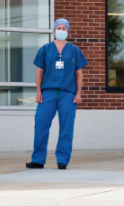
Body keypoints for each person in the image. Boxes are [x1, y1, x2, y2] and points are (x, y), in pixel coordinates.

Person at [26, 19, 88, 170]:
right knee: (41, 124)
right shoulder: (45, 49)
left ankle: (63, 160)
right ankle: (38, 159)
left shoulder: (74, 50)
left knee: (66, 127)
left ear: (68, 31)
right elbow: (39, 71)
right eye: (58, 28)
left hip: (68, 94)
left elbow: (79, 73)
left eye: (64, 28)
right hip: (48, 93)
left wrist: (78, 93)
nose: (61, 30)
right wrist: (39, 92)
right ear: (54, 31)